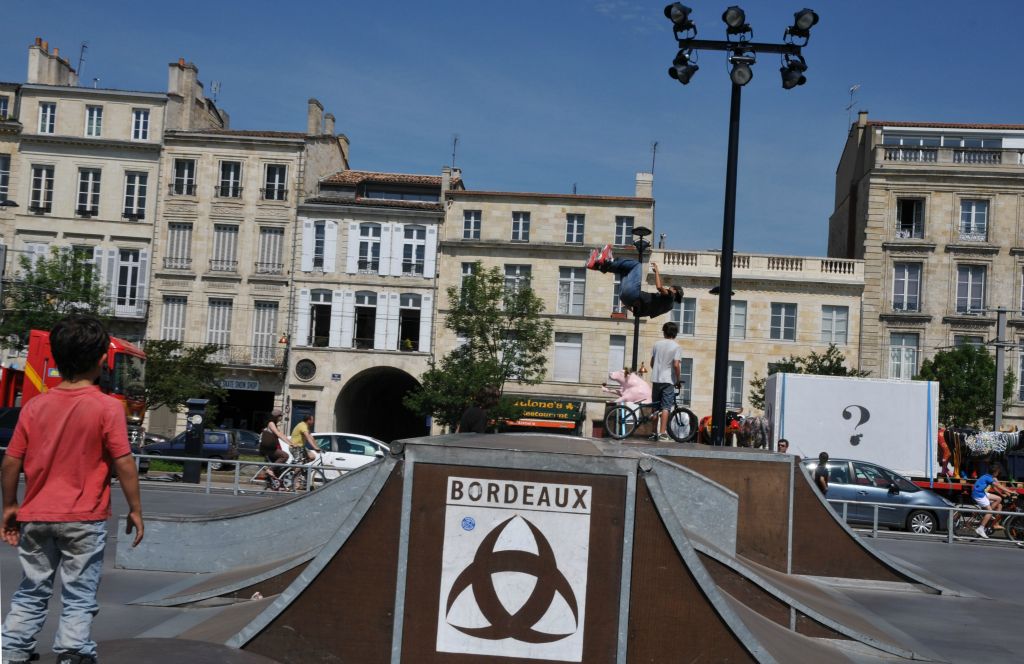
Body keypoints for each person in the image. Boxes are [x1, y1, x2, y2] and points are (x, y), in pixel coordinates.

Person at [1, 315, 144, 664]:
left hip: (35, 517)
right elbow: (124, 462)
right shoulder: (108, 407)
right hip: (84, 518)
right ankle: (73, 652)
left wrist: (9, 505)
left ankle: (11, 650)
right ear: (100, 361)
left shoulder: (34, 406)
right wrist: (135, 509)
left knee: (32, 589)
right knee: (79, 593)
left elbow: (10, 462)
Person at [585, 244, 683, 319]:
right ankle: (597, 265)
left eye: (670, 287)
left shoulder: (671, 296)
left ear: (674, 291)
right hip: (625, 298)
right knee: (625, 270)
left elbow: (659, 287)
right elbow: (638, 313)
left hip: (633, 294)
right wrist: (627, 303)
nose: (668, 288)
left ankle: (607, 261)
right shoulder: (666, 309)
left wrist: (657, 271)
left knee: (637, 266)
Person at [649, 321, 682, 442]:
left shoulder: (656, 344)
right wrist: (678, 380)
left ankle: (653, 432)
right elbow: (676, 365)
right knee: (666, 407)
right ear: (675, 333)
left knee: (655, 407)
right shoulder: (676, 347)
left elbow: (652, 363)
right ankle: (662, 433)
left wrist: (657, 371)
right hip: (668, 380)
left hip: (656, 379)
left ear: (664, 331)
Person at [972, 463, 1014, 539]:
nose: (998, 473)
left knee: (999, 499)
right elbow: (998, 486)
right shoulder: (989, 478)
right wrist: (1011, 492)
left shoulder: (987, 476)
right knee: (990, 511)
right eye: (998, 472)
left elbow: (996, 486)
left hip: (982, 493)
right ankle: (981, 528)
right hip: (979, 495)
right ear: (995, 472)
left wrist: (1005, 494)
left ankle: (989, 515)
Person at [258, 409, 290, 490]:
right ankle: (269, 469)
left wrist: (291, 442)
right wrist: (290, 443)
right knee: (285, 456)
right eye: (280, 416)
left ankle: (276, 483)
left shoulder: (274, 424)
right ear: (277, 416)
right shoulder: (271, 423)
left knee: (280, 465)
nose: (281, 418)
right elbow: (278, 434)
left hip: (269, 448)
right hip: (268, 449)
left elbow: (282, 434)